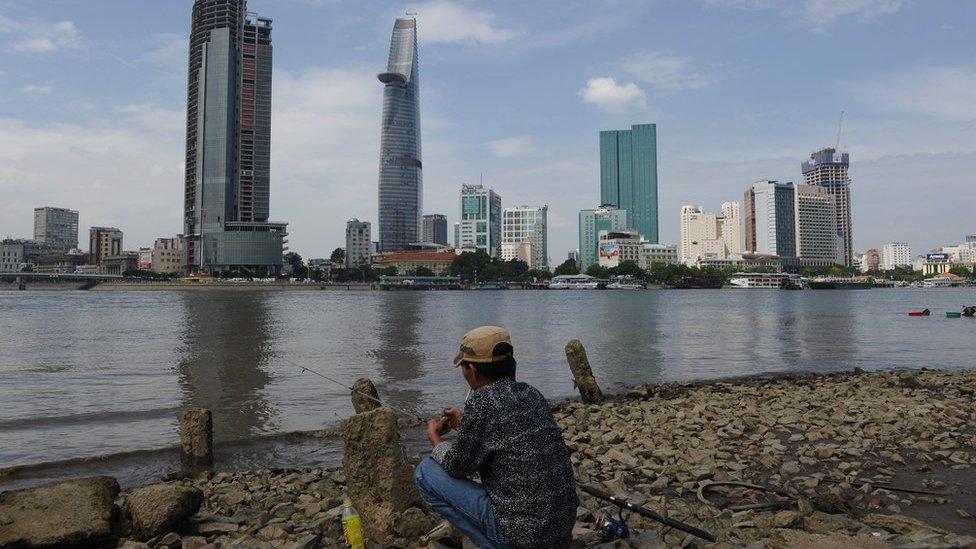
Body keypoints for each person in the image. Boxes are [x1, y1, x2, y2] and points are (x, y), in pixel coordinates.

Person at [414, 326, 579, 548]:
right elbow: (509, 436)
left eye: (463, 368)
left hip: (524, 538)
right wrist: (464, 425)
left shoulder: (481, 402)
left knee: (425, 472)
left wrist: (435, 439)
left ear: (472, 369)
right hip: (560, 532)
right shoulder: (531, 393)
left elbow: (457, 467)